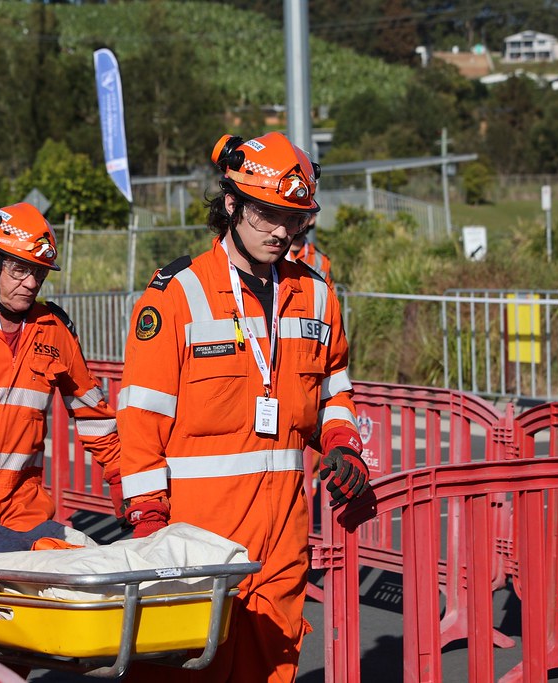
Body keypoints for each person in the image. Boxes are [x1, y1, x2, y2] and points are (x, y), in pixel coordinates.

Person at [117, 132, 369, 683]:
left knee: (271, 672)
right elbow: (141, 419)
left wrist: (344, 443)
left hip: (281, 544)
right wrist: (148, 520)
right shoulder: (177, 295)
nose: (281, 231)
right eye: (267, 214)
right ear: (230, 204)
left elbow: (334, 389)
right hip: (195, 545)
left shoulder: (317, 295)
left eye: (294, 218)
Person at [0, 202, 122, 532]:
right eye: (20, 269)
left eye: (39, 273)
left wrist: (124, 481)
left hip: (26, 509)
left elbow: (93, 414)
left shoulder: (54, 329)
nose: (31, 283)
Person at [286, 213, 334, 287]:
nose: (295, 221)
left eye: (301, 216)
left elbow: (329, 292)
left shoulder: (322, 260)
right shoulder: (273, 253)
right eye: (292, 216)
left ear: (312, 219)